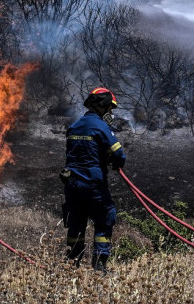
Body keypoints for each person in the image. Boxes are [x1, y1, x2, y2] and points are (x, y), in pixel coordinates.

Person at [62, 87, 126, 272]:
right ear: (103, 106)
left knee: (76, 223)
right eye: (110, 108)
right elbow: (119, 154)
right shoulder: (101, 127)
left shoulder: (74, 126)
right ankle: (99, 265)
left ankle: (72, 263)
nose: (111, 112)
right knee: (105, 217)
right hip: (93, 184)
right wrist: (114, 162)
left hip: (72, 184)